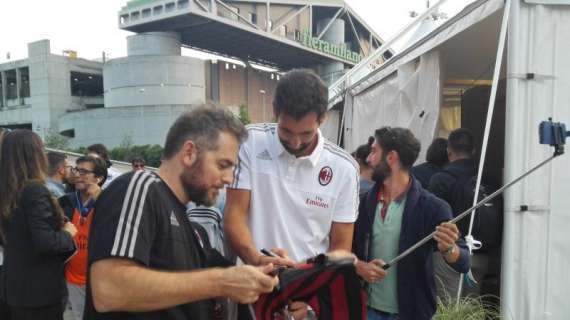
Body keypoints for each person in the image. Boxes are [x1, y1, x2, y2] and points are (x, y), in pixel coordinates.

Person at [84, 108, 278, 320]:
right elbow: (109, 289)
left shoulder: (196, 234)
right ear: (189, 153)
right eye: (223, 165)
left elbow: (232, 277)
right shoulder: (141, 186)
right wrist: (221, 282)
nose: (229, 178)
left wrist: (265, 265)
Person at [224, 69, 359, 319]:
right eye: (286, 132)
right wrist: (257, 260)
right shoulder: (249, 142)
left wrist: (313, 303)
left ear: (323, 118)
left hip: (304, 297)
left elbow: (340, 251)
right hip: (252, 288)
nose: (295, 143)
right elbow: (234, 216)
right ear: (275, 109)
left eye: (305, 134)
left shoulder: (344, 169)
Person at [352, 127, 469, 320]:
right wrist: (359, 267)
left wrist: (449, 248)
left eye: (374, 151)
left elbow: (463, 262)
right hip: (366, 311)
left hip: (411, 313)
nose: (368, 159)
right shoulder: (362, 203)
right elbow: (345, 251)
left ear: (391, 157)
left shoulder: (433, 207)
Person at [0, 129, 77, 320]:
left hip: (13, 289)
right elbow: (46, 242)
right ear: (33, 154)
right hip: (38, 294)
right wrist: (67, 233)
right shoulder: (34, 190)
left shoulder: (7, 191)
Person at [428, 128, 500, 300]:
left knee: (448, 308)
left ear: (448, 151)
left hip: (449, 255)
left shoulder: (441, 179)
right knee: (471, 307)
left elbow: (431, 221)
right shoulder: (490, 177)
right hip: (483, 254)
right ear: (473, 150)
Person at [59, 156, 107, 320]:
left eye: (84, 171)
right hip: (73, 277)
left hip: (100, 278)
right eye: (76, 170)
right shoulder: (65, 202)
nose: (77, 174)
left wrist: (101, 201)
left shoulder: (109, 202)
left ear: (98, 178)